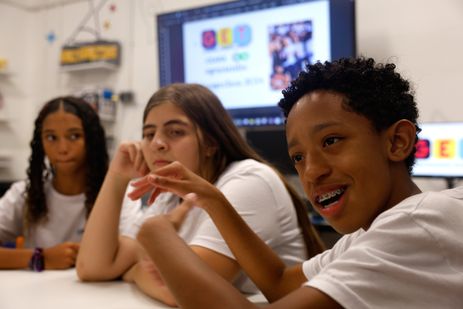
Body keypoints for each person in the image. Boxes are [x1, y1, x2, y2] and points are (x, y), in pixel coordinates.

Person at [130, 57, 463, 308]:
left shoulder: (419, 221)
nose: (312, 171)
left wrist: (157, 233)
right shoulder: (368, 234)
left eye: (331, 141)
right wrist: (214, 199)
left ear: (397, 141)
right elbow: (280, 283)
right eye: (298, 158)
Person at [76, 83, 325, 306]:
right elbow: (93, 267)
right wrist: (116, 177)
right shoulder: (169, 195)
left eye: (175, 132)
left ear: (210, 143)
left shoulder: (248, 180)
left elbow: (180, 291)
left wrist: (132, 271)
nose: (157, 144)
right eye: (149, 134)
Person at [0, 96, 109, 271]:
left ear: (92, 140)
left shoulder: (115, 195)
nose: (63, 148)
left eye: (74, 136)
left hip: (103, 296)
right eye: (51, 137)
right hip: (36, 295)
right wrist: (40, 257)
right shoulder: (24, 193)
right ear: (40, 143)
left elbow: (134, 252)